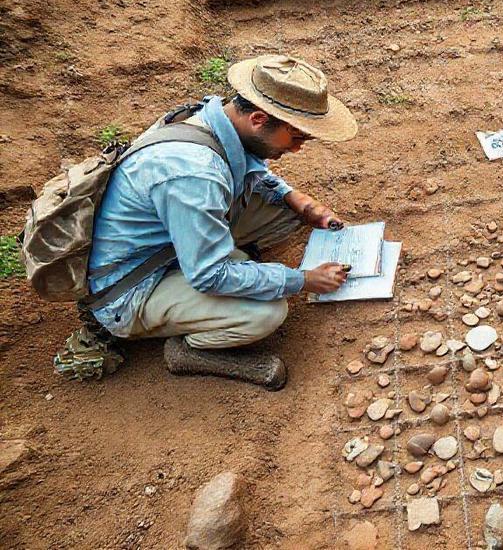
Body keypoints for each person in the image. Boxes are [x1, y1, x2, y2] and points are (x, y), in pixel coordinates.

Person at [84, 54, 358, 388]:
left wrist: (296, 200)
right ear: (258, 118)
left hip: (164, 242)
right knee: (267, 312)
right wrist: (302, 279)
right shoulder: (193, 174)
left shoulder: (211, 117)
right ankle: (190, 350)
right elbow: (210, 275)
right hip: (132, 289)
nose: (298, 149)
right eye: (296, 137)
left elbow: (247, 161)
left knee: (284, 214)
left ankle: (231, 265)